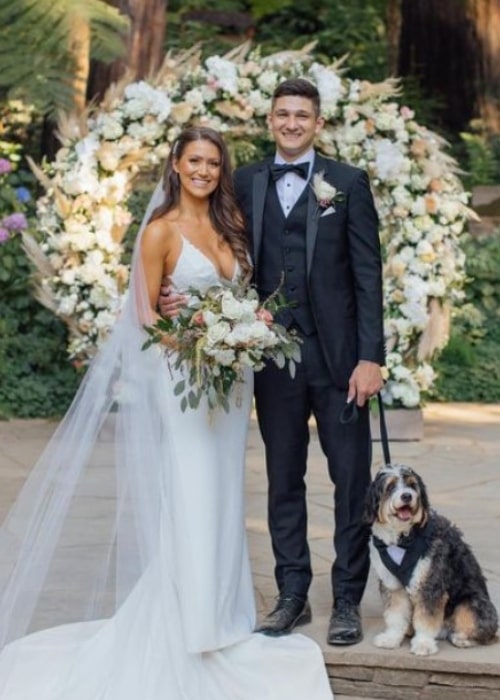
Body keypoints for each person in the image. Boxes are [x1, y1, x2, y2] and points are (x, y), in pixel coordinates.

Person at [0, 126, 333, 699]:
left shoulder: (231, 224)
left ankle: (223, 615)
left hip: (232, 379)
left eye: (213, 163)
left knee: (224, 492)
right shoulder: (160, 230)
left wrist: (244, 329)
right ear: (176, 163)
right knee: (191, 490)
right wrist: (196, 340)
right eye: (194, 160)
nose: (203, 170)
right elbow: (144, 315)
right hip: (185, 376)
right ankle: (190, 621)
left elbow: (244, 294)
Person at [232, 78, 385, 645]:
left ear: (318, 123)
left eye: (302, 115)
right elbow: (225, 257)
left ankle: (346, 599)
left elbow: (367, 276)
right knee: (282, 479)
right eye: (282, 114)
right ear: (270, 120)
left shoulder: (347, 182)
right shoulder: (244, 181)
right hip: (273, 360)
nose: (291, 123)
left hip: (339, 359)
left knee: (350, 481)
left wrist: (371, 358)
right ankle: (292, 594)